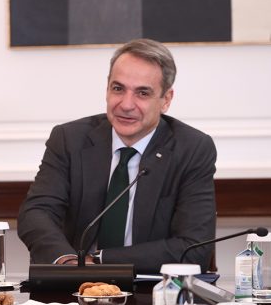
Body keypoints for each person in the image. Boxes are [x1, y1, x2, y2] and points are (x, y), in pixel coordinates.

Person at [17, 39, 216, 274]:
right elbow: (36, 213)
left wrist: (99, 260)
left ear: (166, 100)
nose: (126, 104)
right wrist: (69, 262)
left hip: (152, 288)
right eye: (118, 89)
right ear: (107, 89)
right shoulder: (69, 140)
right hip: (76, 285)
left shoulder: (192, 149)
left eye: (142, 93)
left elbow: (193, 247)